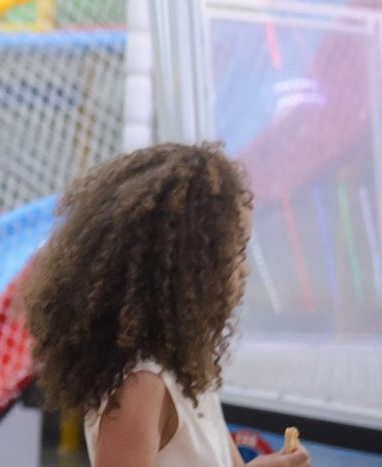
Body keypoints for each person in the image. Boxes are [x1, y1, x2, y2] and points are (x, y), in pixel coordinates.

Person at [22, 142, 311, 467]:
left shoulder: (184, 368)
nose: (245, 270)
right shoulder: (141, 385)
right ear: (189, 266)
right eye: (236, 252)